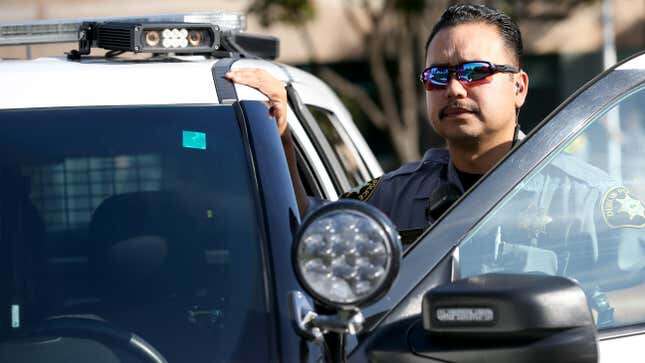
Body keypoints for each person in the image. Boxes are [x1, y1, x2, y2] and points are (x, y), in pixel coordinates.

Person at [226, 4, 529, 237]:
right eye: (437, 76)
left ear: (519, 87)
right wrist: (281, 134)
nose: (453, 89)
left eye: (475, 71)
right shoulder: (395, 196)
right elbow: (314, 230)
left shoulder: (570, 194)